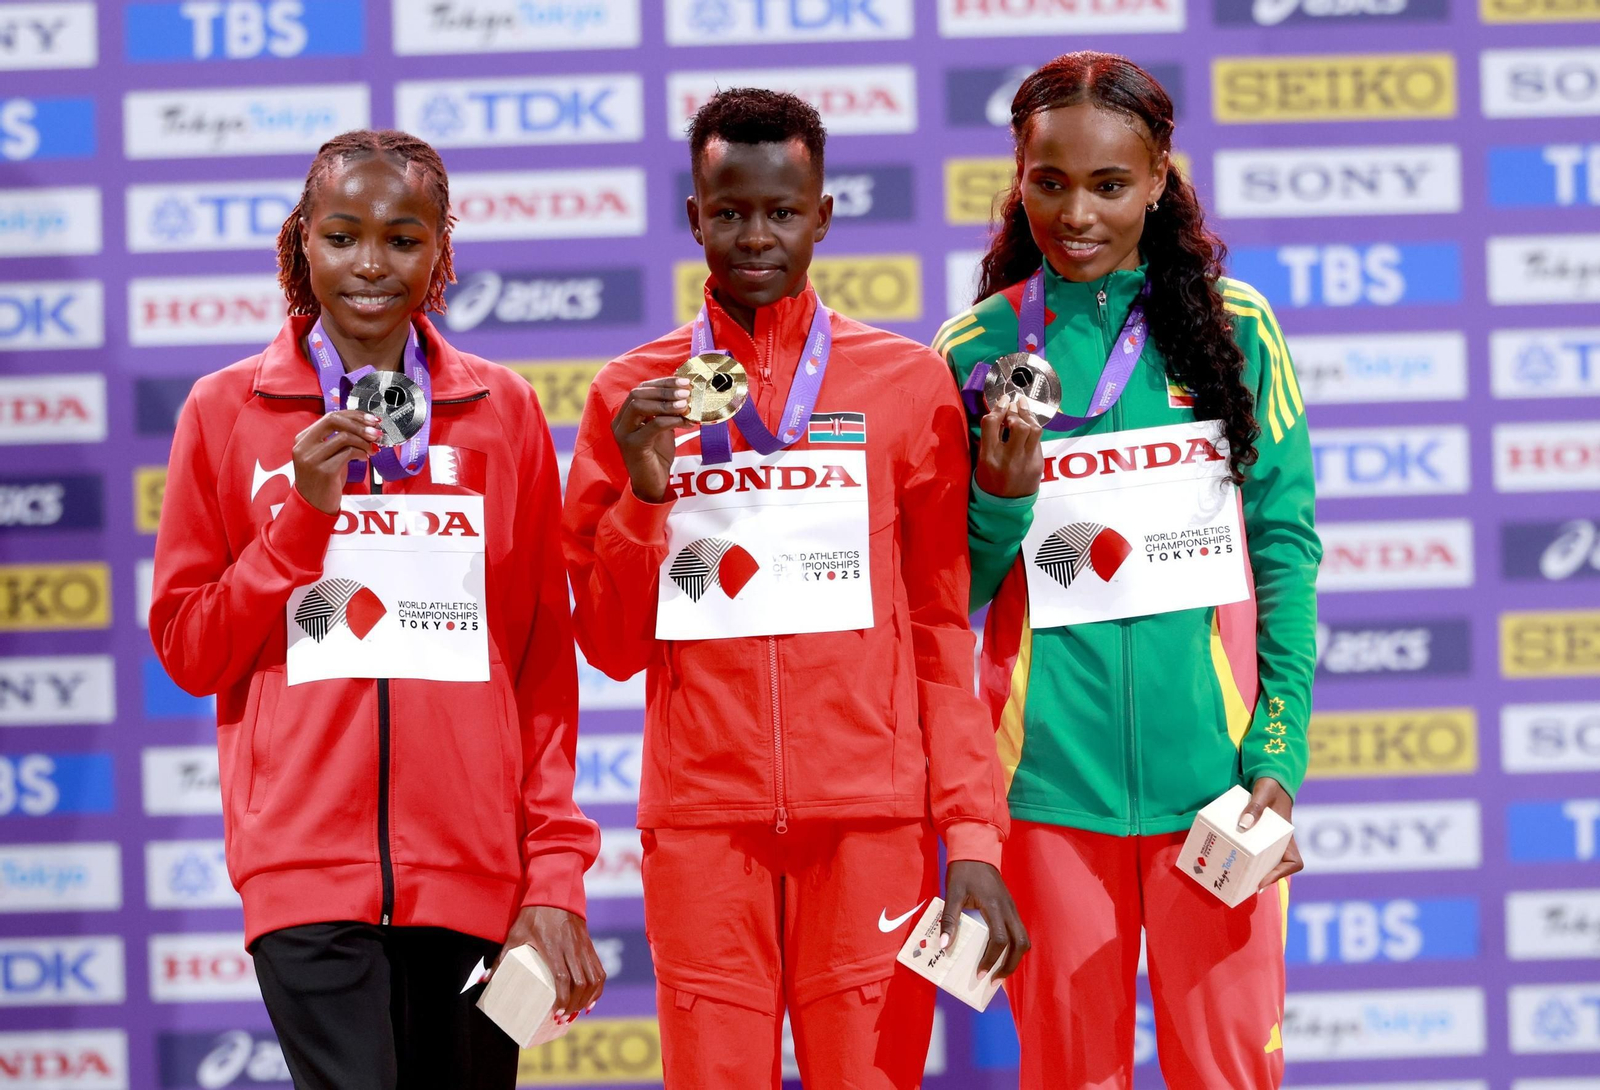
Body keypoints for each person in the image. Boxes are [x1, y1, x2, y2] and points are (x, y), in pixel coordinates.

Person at [562, 89, 1027, 1089]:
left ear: (823, 215)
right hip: (703, 826)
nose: (755, 236)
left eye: (781, 211)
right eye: (729, 211)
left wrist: (972, 834)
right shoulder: (632, 394)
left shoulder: (904, 385)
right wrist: (644, 494)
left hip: (873, 823)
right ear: (693, 216)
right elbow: (608, 646)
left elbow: (940, 629)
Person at [149, 129, 604, 1090]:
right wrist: (301, 522)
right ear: (300, 241)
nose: (370, 264)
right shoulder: (226, 410)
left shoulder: (504, 410)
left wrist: (554, 872)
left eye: (403, 239)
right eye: (342, 234)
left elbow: (540, 667)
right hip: (304, 877)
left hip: (476, 880)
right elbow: (191, 651)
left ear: (441, 251)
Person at [936, 53, 1321, 1089]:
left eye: (1109, 184)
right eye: (1049, 181)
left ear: (1157, 178)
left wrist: (1276, 751)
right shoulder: (972, 351)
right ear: (1019, 180)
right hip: (1044, 788)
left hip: (1218, 786)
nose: (1076, 214)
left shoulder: (1237, 329)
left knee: (1229, 1072)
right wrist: (1000, 498)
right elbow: (949, 594)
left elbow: (1285, 551)